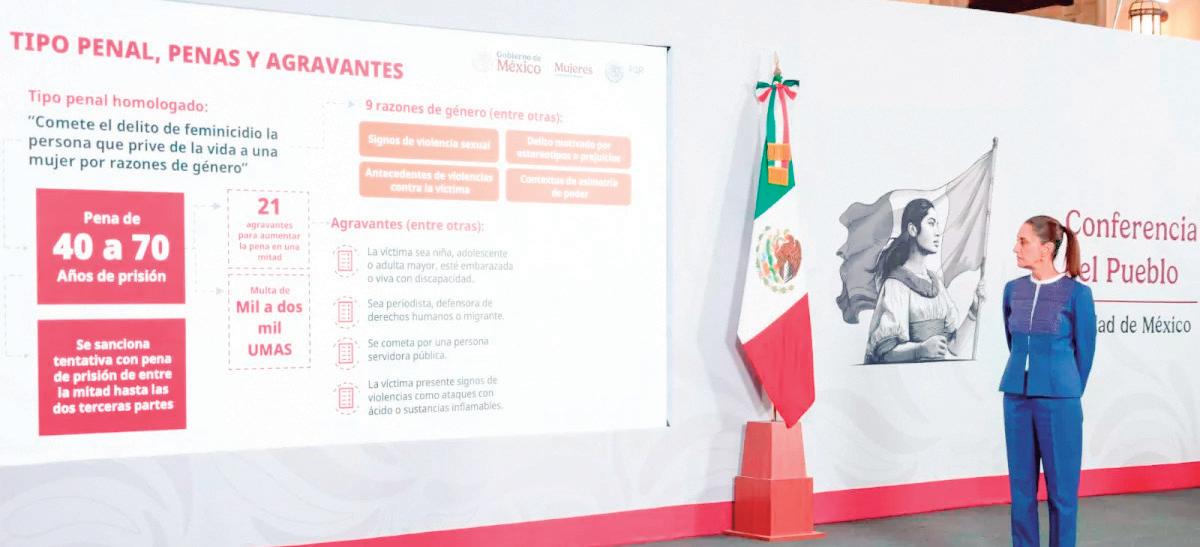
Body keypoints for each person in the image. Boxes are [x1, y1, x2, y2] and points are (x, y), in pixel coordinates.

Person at [999, 215, 1097, 547]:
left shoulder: (1077, 294)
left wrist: (1064, 388)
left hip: (1060, 403)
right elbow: (1013, 343)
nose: (1016, 247)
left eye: (1023, 241)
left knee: (1062, 494)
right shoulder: (1012, 291)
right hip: (1016, 399)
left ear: (1046, 248)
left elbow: (1085, 353)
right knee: (1021, 493)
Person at [864, 198, 984, 363]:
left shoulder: (936, 283)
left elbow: (954, 347)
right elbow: (885, 353)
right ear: (913, 229)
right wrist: (920, 350)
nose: (938, 232)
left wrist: (974, 311)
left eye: (937, 225)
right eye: (931, 223)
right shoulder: (896, 285)